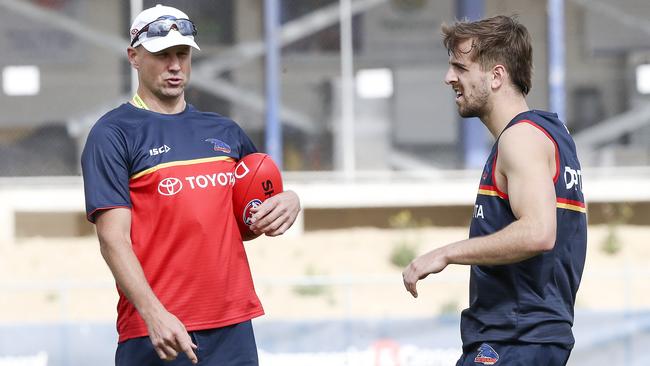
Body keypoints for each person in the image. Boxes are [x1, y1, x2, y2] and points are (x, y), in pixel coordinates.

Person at [81, 5, 301, 366]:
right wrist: (154, 314)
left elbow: (253, 213)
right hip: (158, 332)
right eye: (162, 54)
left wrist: (290, 201)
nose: (174, 65)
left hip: (232, 327)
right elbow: (112, 239)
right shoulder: (113, 133)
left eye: (182, 54)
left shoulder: (224, 132)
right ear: (134, 57)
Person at [402, 15, 587, 366]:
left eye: (460, 67)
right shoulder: (548, 131)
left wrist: (446, 253)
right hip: (525, 338)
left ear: (497, 76)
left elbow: (538, 232)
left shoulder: (521, 139)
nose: (449, 78)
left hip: (515, 340)